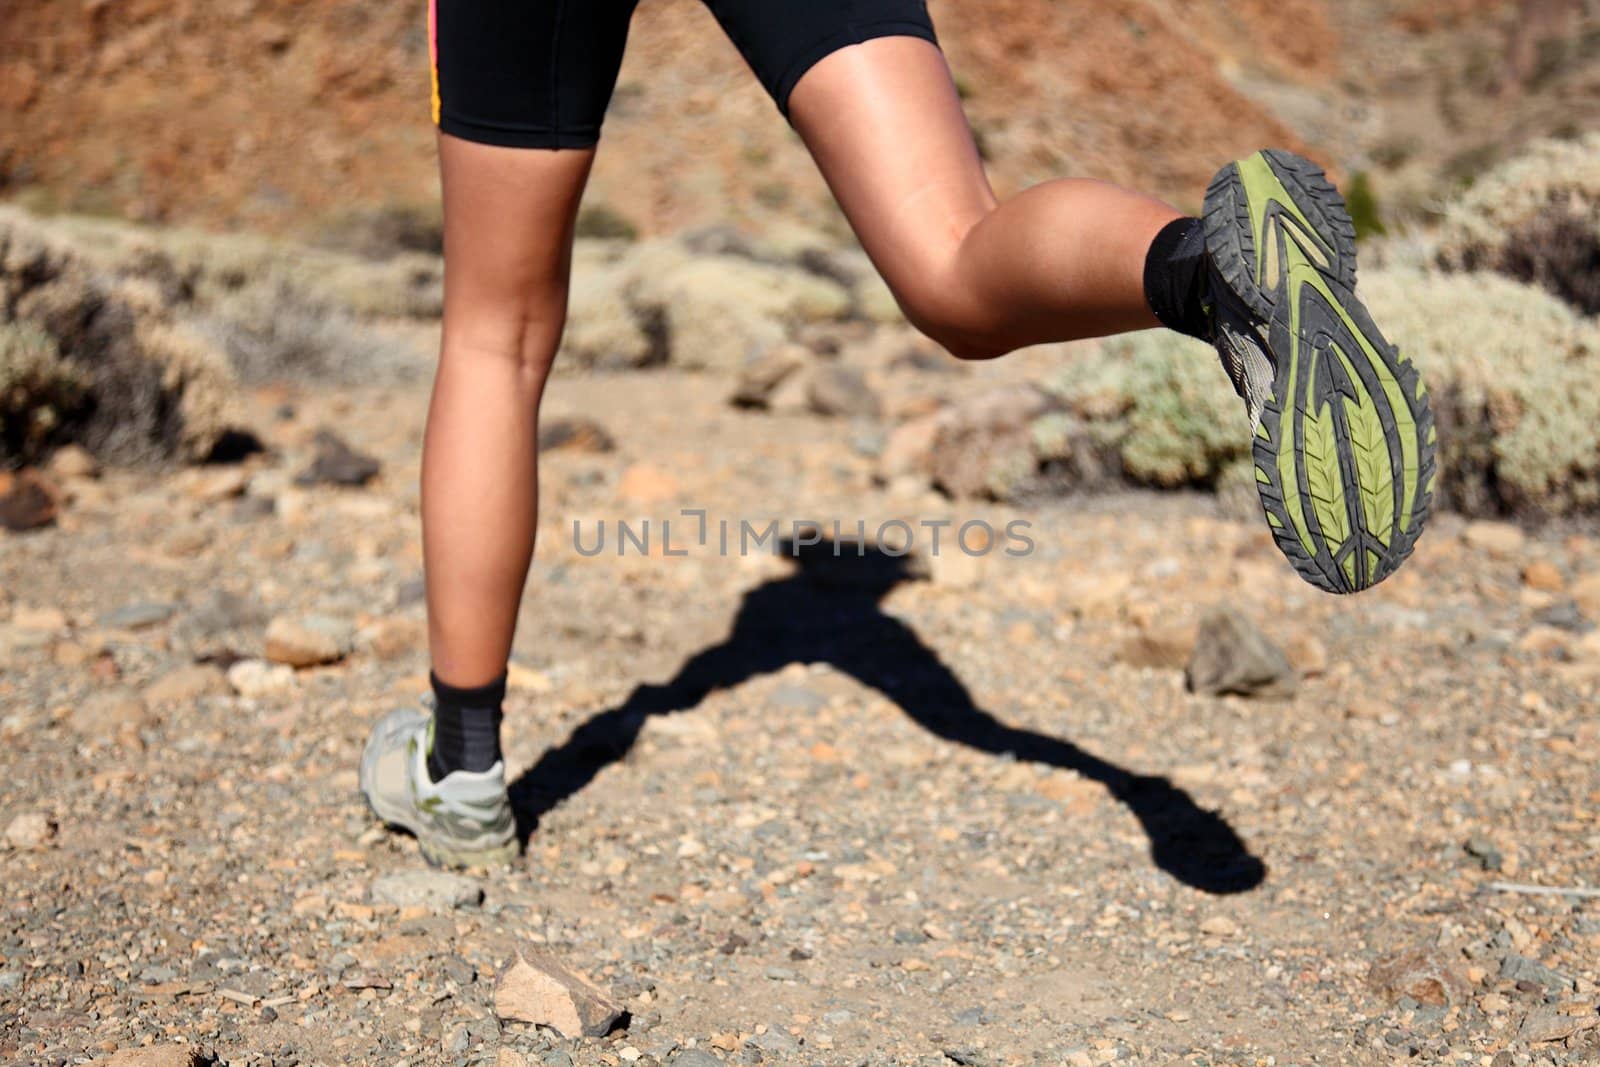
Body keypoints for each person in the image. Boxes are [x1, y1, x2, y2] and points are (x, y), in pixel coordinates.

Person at [360, 0, 1437, 869]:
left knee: (496, 334)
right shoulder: (875, 621)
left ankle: (460, 774)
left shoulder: (776, 616)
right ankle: (1205, 272)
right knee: (952, 258)